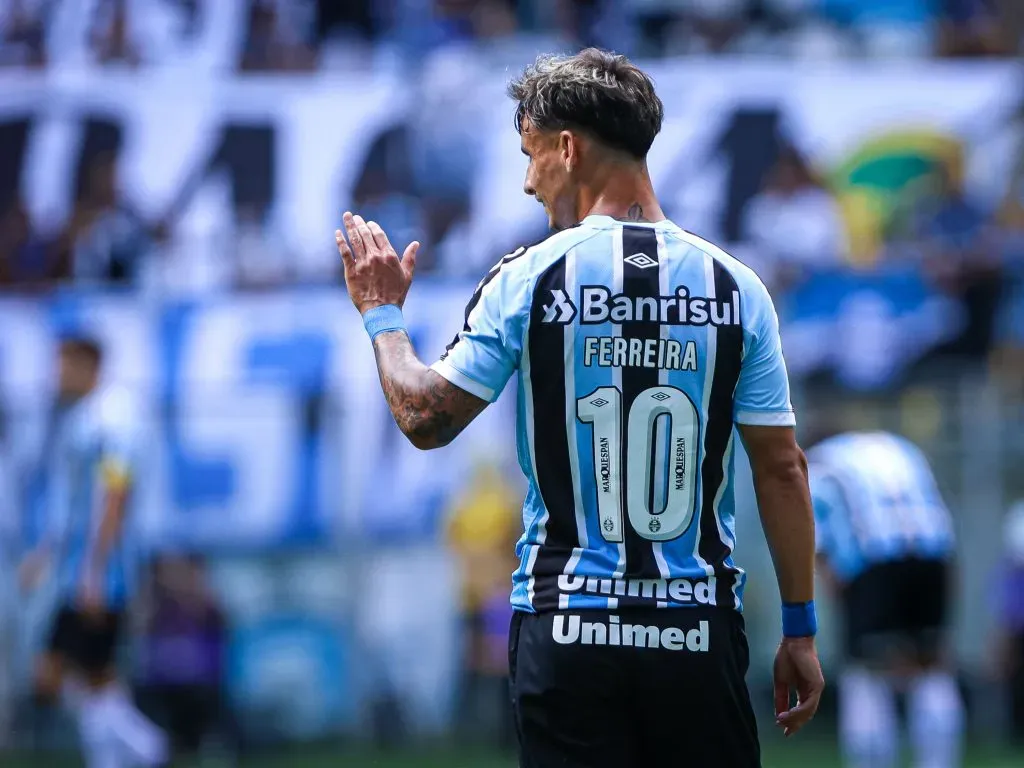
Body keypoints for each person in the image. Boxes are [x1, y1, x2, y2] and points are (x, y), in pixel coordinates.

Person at [335, 47, 823, 767]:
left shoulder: (528, 278)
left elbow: (424, 417)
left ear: (568, 147)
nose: (529, 181)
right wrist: (801, 629)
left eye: (531, 155)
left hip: (567, 633)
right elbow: (782, 470)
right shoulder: (735, 288)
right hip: (694, 631)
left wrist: (381, 316)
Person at [19, 337, 167, 768]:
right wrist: (45, 553)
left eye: (63, 365)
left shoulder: (115, 416)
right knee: (91, 677)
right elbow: (74, 500)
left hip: (102, 569)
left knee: (61, 672)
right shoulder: (83, 417)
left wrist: (95, 573)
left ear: (87, 364)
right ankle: (128, 753)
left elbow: (114, 496)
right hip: (75, 566)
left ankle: (145, 748)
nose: (57, 375)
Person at [807, 429, 962, 768]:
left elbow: (816, 540)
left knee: (867, 671)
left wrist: (844, 602)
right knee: (932, 665)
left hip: (873, 560)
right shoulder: (899, 446)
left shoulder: (818, 462)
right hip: (933, 553)